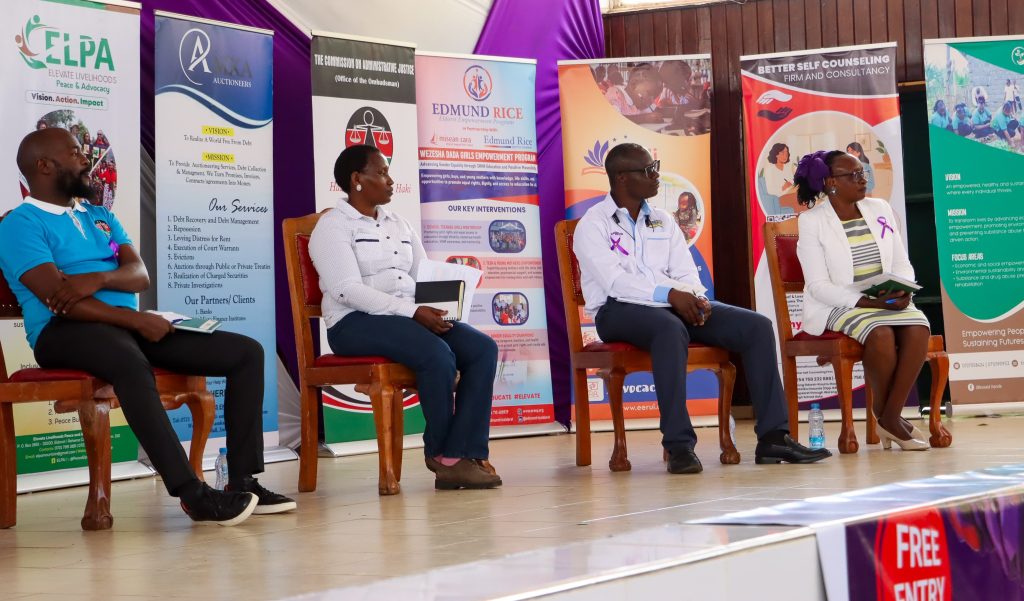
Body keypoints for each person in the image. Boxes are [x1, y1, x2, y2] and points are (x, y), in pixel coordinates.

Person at [0, 129, 295, 525]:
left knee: (245, 353)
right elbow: (60, 300)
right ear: (44, 166)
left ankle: (242, 480)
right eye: (74, 153)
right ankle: (192, 494)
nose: (86, 160)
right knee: (128, 359)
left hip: (125, 329)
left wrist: (98, 279)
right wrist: (137, 319)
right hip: (61, 332)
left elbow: (139, 275)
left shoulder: (99, 216)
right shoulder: (20, 224)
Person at [572, 143, 831, 474]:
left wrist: (696, 298)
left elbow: (685, 273)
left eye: (656, 167)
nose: (656, 175)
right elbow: (615, 283)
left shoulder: (662, 220)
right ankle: (679, 445)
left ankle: (774, 438)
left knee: (756, 327)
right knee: (669, 328)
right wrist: (671, 295)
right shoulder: (594, 224)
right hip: (617, 311)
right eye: (649, 170)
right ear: (622, 177)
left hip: (670, 305)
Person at [309, 144, 501, 490]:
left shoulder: (399, 224)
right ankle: (442, 455)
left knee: (482, 348)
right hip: (353, 322)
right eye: (381, 173)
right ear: (357, 179)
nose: (390, 180)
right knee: (436, 354)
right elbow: (346, 290)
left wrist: (442, 305)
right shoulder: (333, 227)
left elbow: (421, 277)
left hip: (405, 317)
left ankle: (462, 453)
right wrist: (413, 311)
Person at [793, 150, 931, 451]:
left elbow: (901, 262)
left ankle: (888, 416)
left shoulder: (879, 208)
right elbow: (818, 286)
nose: (863, 179)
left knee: (918, 329)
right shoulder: (812, 221)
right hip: (841, 304)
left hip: (885, 299)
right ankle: (888, 417)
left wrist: (903, 288)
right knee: (880, 334)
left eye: (863, 172)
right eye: (854, 174)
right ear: (831, 182)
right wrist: (866, 303)